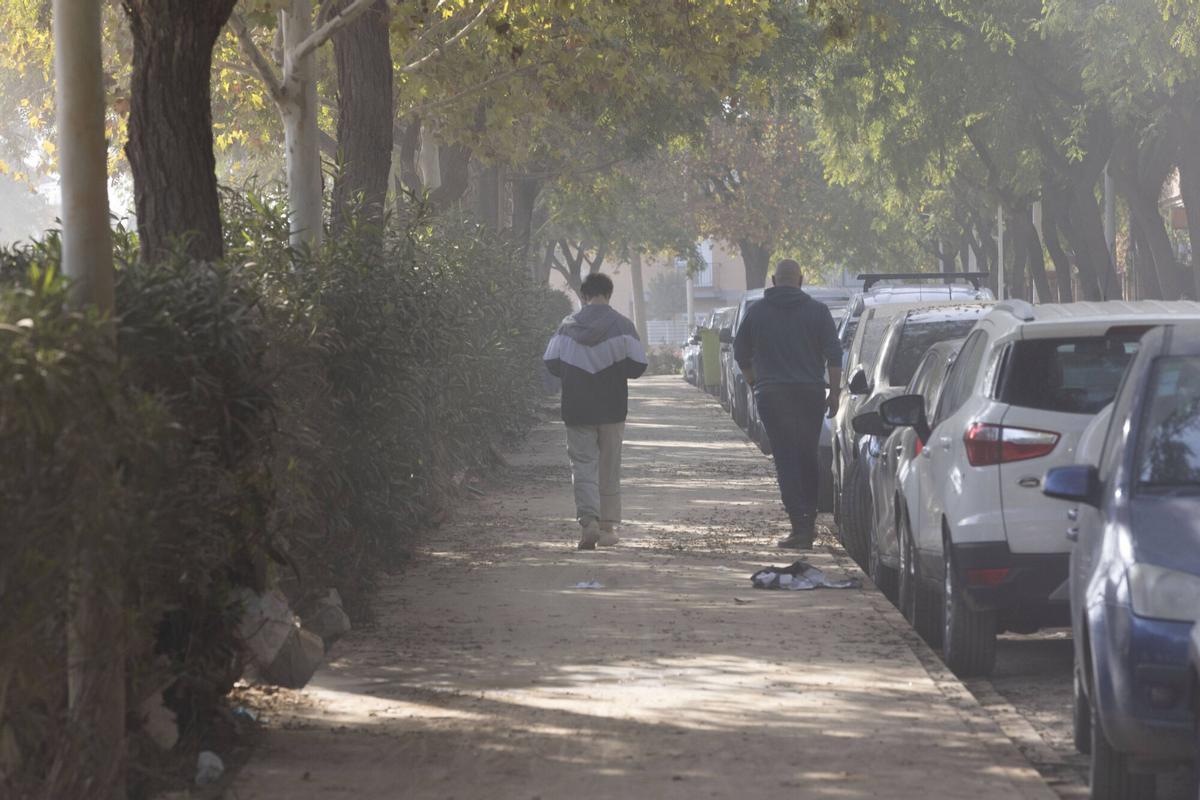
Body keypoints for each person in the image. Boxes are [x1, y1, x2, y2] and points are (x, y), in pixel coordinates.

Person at [733, 259, 842, 549]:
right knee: (808, 454)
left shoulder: (757, 313)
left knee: (785, 457)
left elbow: (740, 352)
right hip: (810, 393)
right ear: (801, 280)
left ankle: (799, 525)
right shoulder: (818, 312)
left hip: (773, 394)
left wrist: (754, 383)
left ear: (773, 280)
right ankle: (809, 520)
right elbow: (834, 355)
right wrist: (834, 393)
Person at [543, 273, 648, 550]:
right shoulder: (623, 326)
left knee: (582, 465)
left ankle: (588, 521)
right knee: (608, 466)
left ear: (584, 295)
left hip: (577, 408)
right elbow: (638, 366)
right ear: (609, 294)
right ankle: (607, 528)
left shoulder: (566, 327)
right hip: (612, 408)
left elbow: (551, 362)